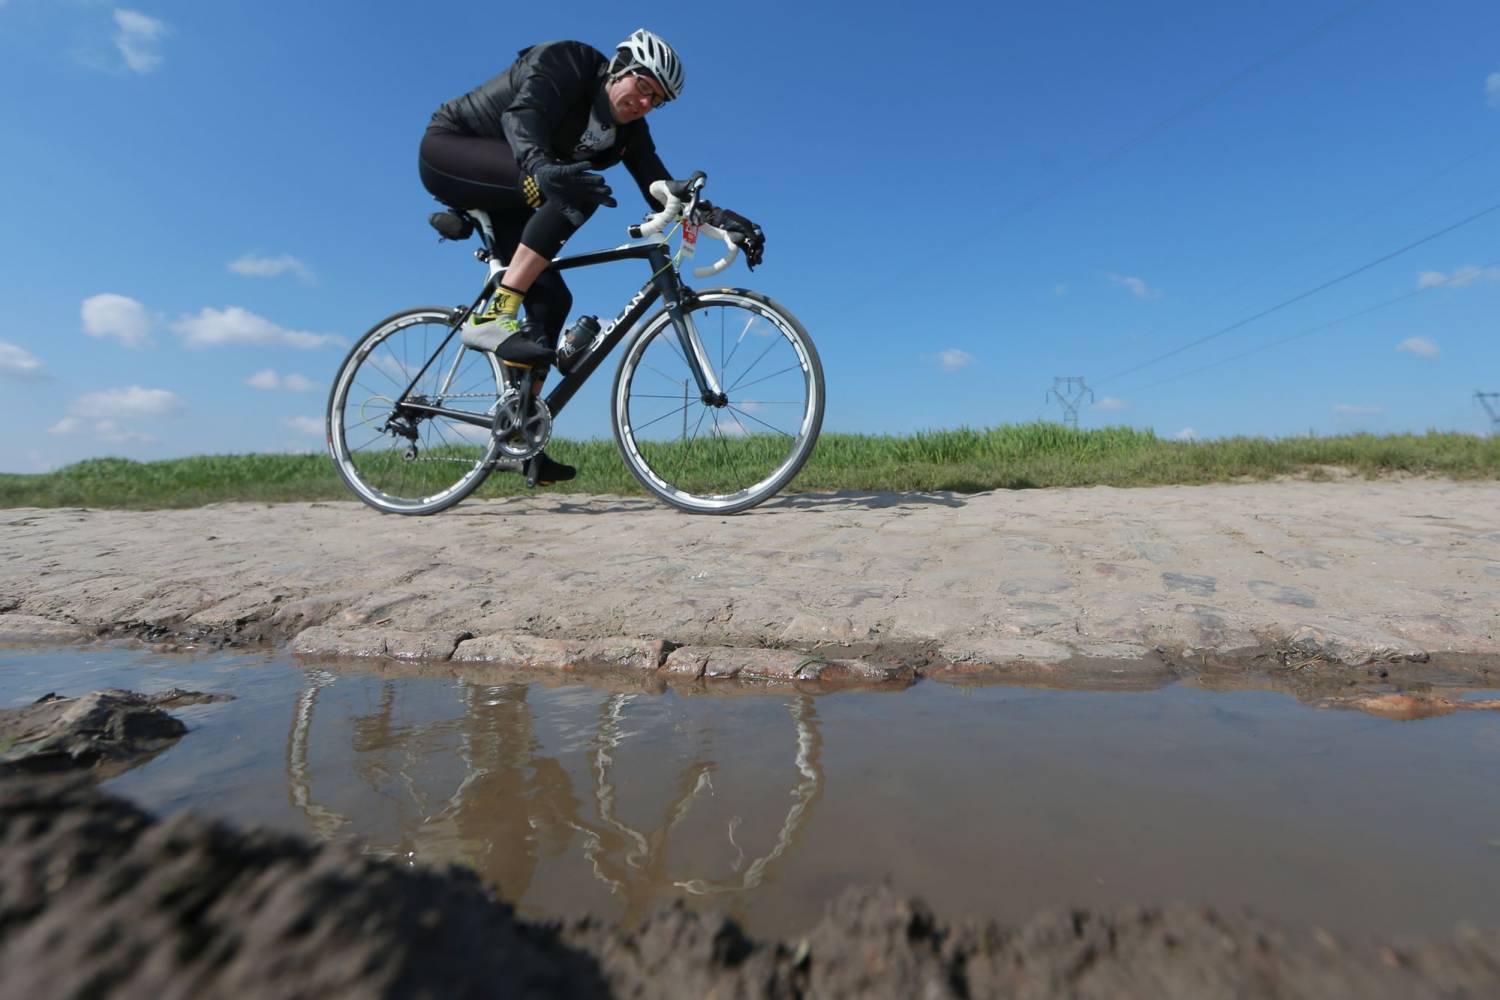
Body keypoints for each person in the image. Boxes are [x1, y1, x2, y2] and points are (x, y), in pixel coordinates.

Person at [418, 29, 765, 484]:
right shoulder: (567, 63)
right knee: (576, 192)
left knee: (552, 302)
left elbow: (662, 189)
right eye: (643, 87)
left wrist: (723, 219)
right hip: (454, 150)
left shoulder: (628, 132)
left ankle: (523, 438)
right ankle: (492, 316)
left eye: (656, 100)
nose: (645, 103)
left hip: (526, 181)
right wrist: (542, 168)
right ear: (618, 67)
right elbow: (523, 117)